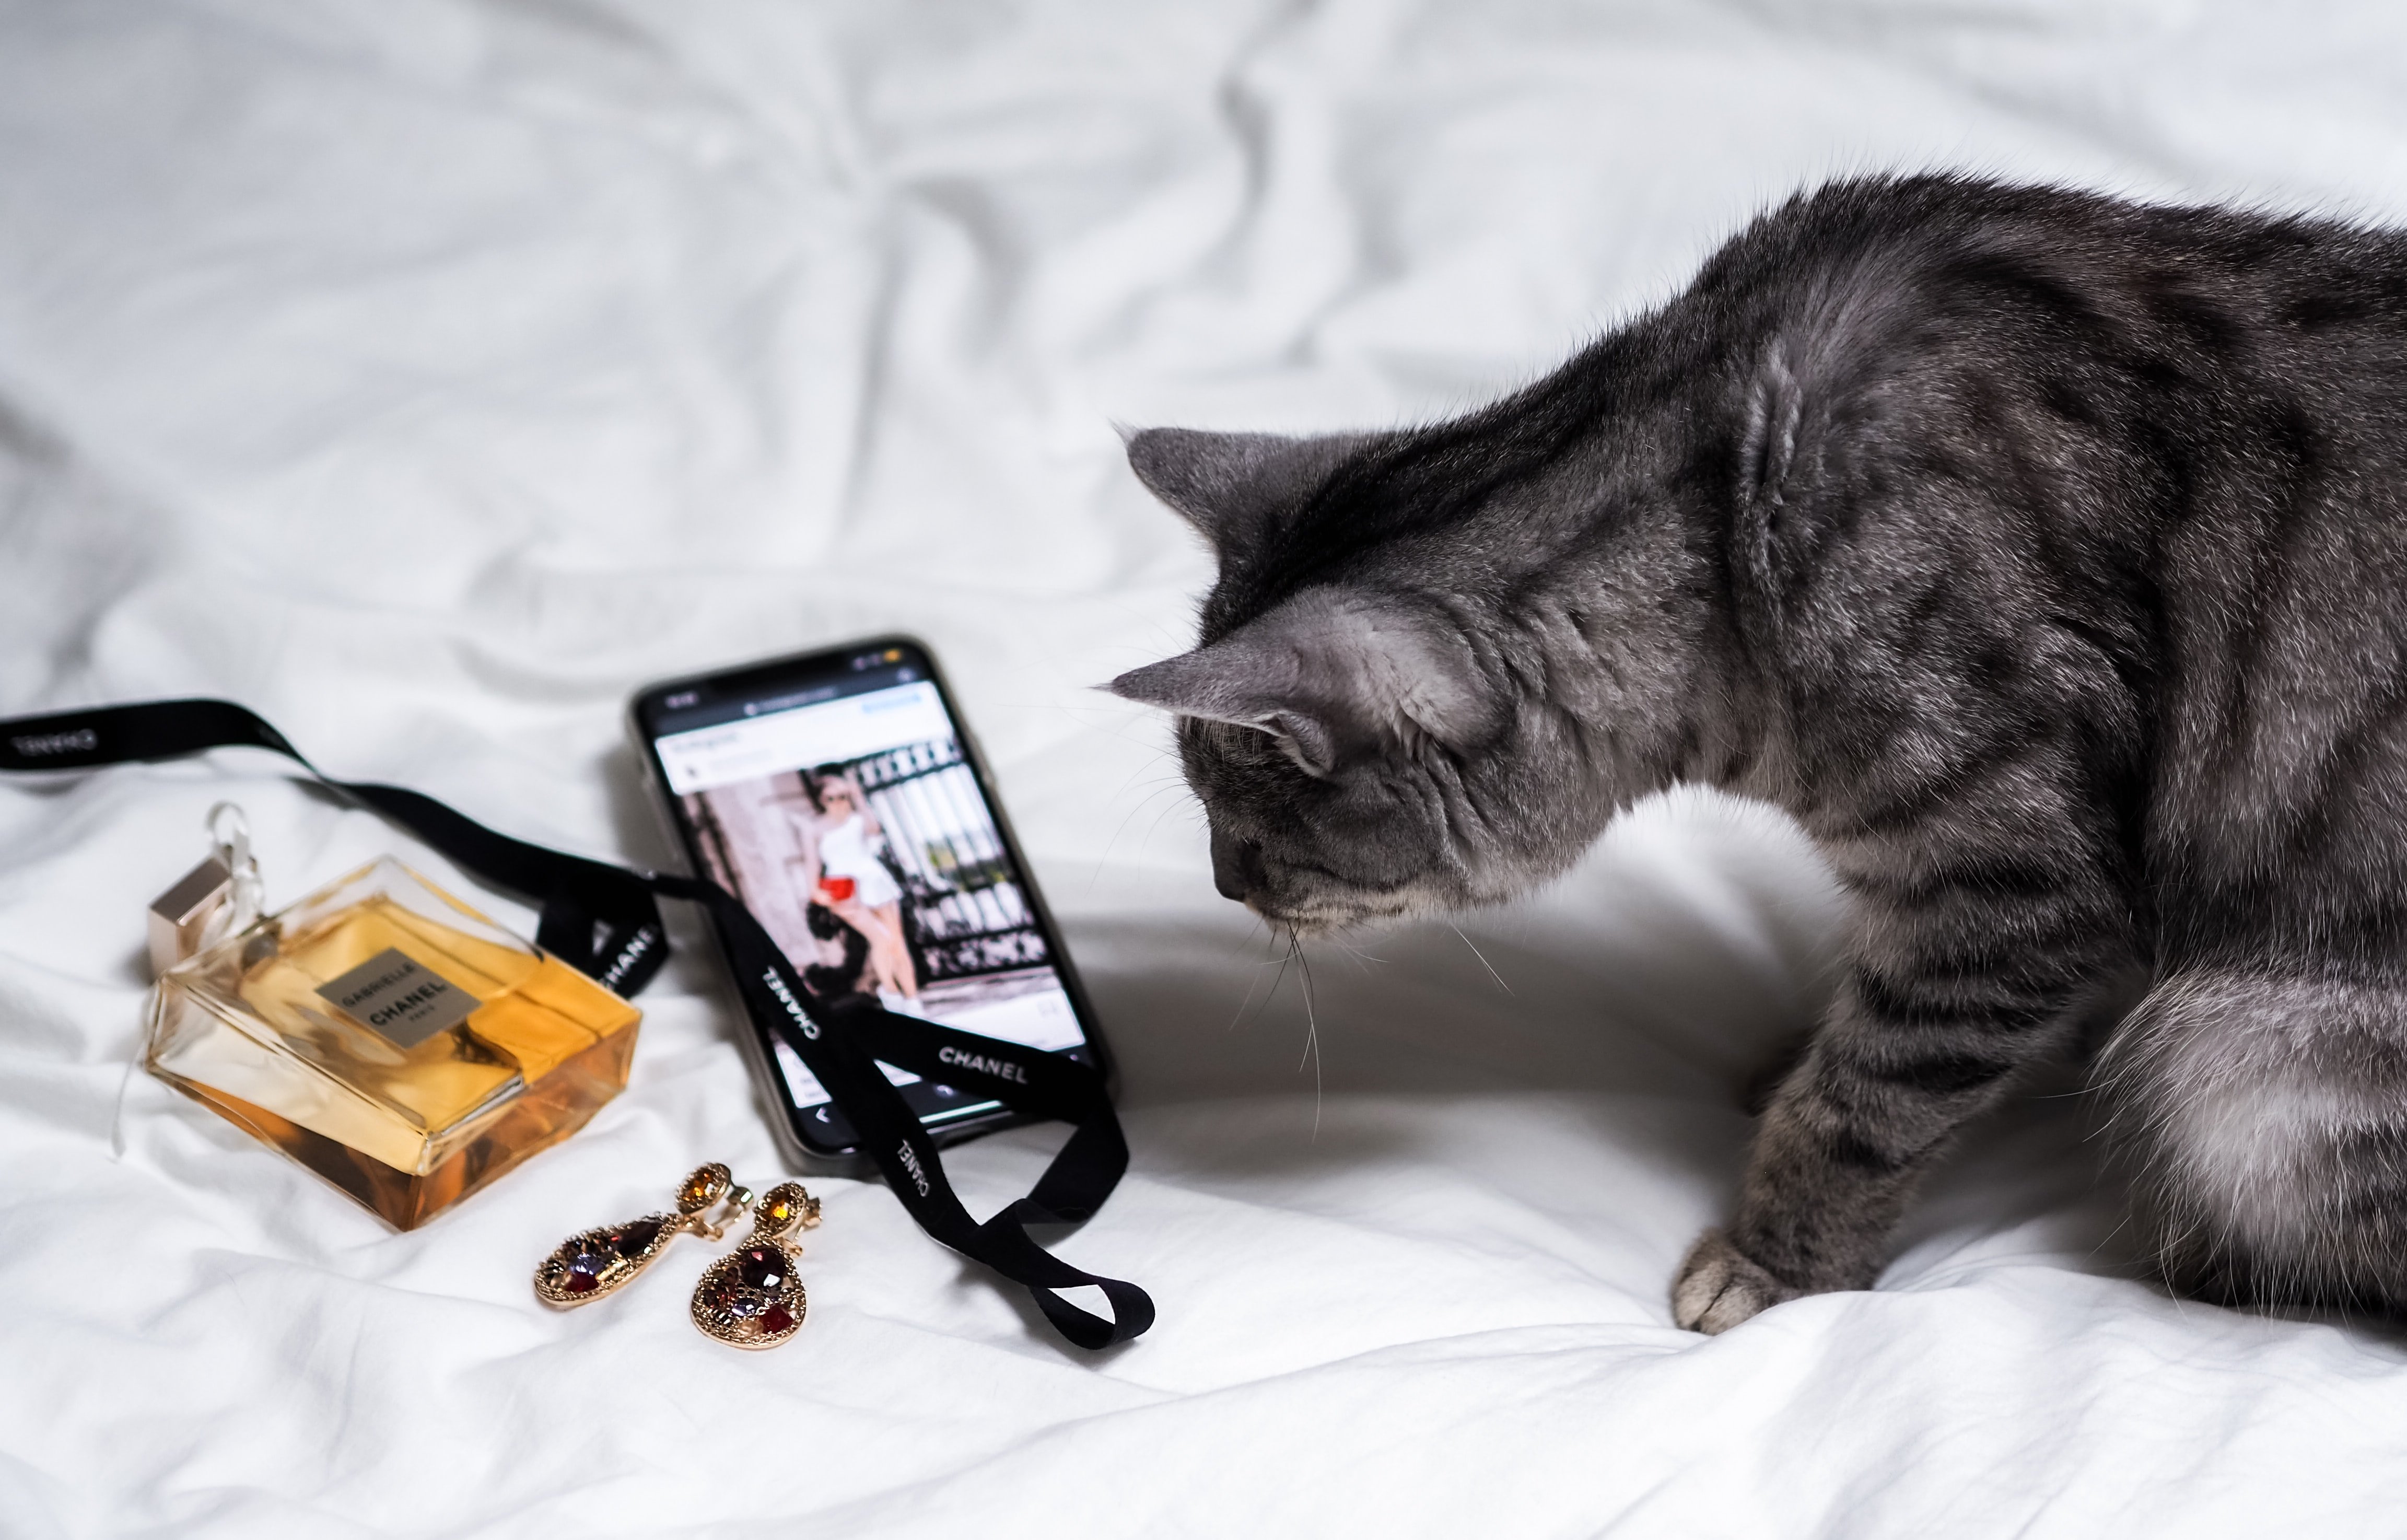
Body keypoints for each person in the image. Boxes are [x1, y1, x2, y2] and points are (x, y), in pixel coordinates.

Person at [789, 767, 920, 1006]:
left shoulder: (858, 820)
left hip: (874, 881)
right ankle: (891, 993)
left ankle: (912, 1000)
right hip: (845, 890)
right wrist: (816, 892)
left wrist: (858, 797)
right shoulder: (815, 828)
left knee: (897, 943)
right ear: (821, 800)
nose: (838, 802)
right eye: (832, 798)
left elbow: (874, 830)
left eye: (843, 796)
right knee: (881, 940)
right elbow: (812, 864)